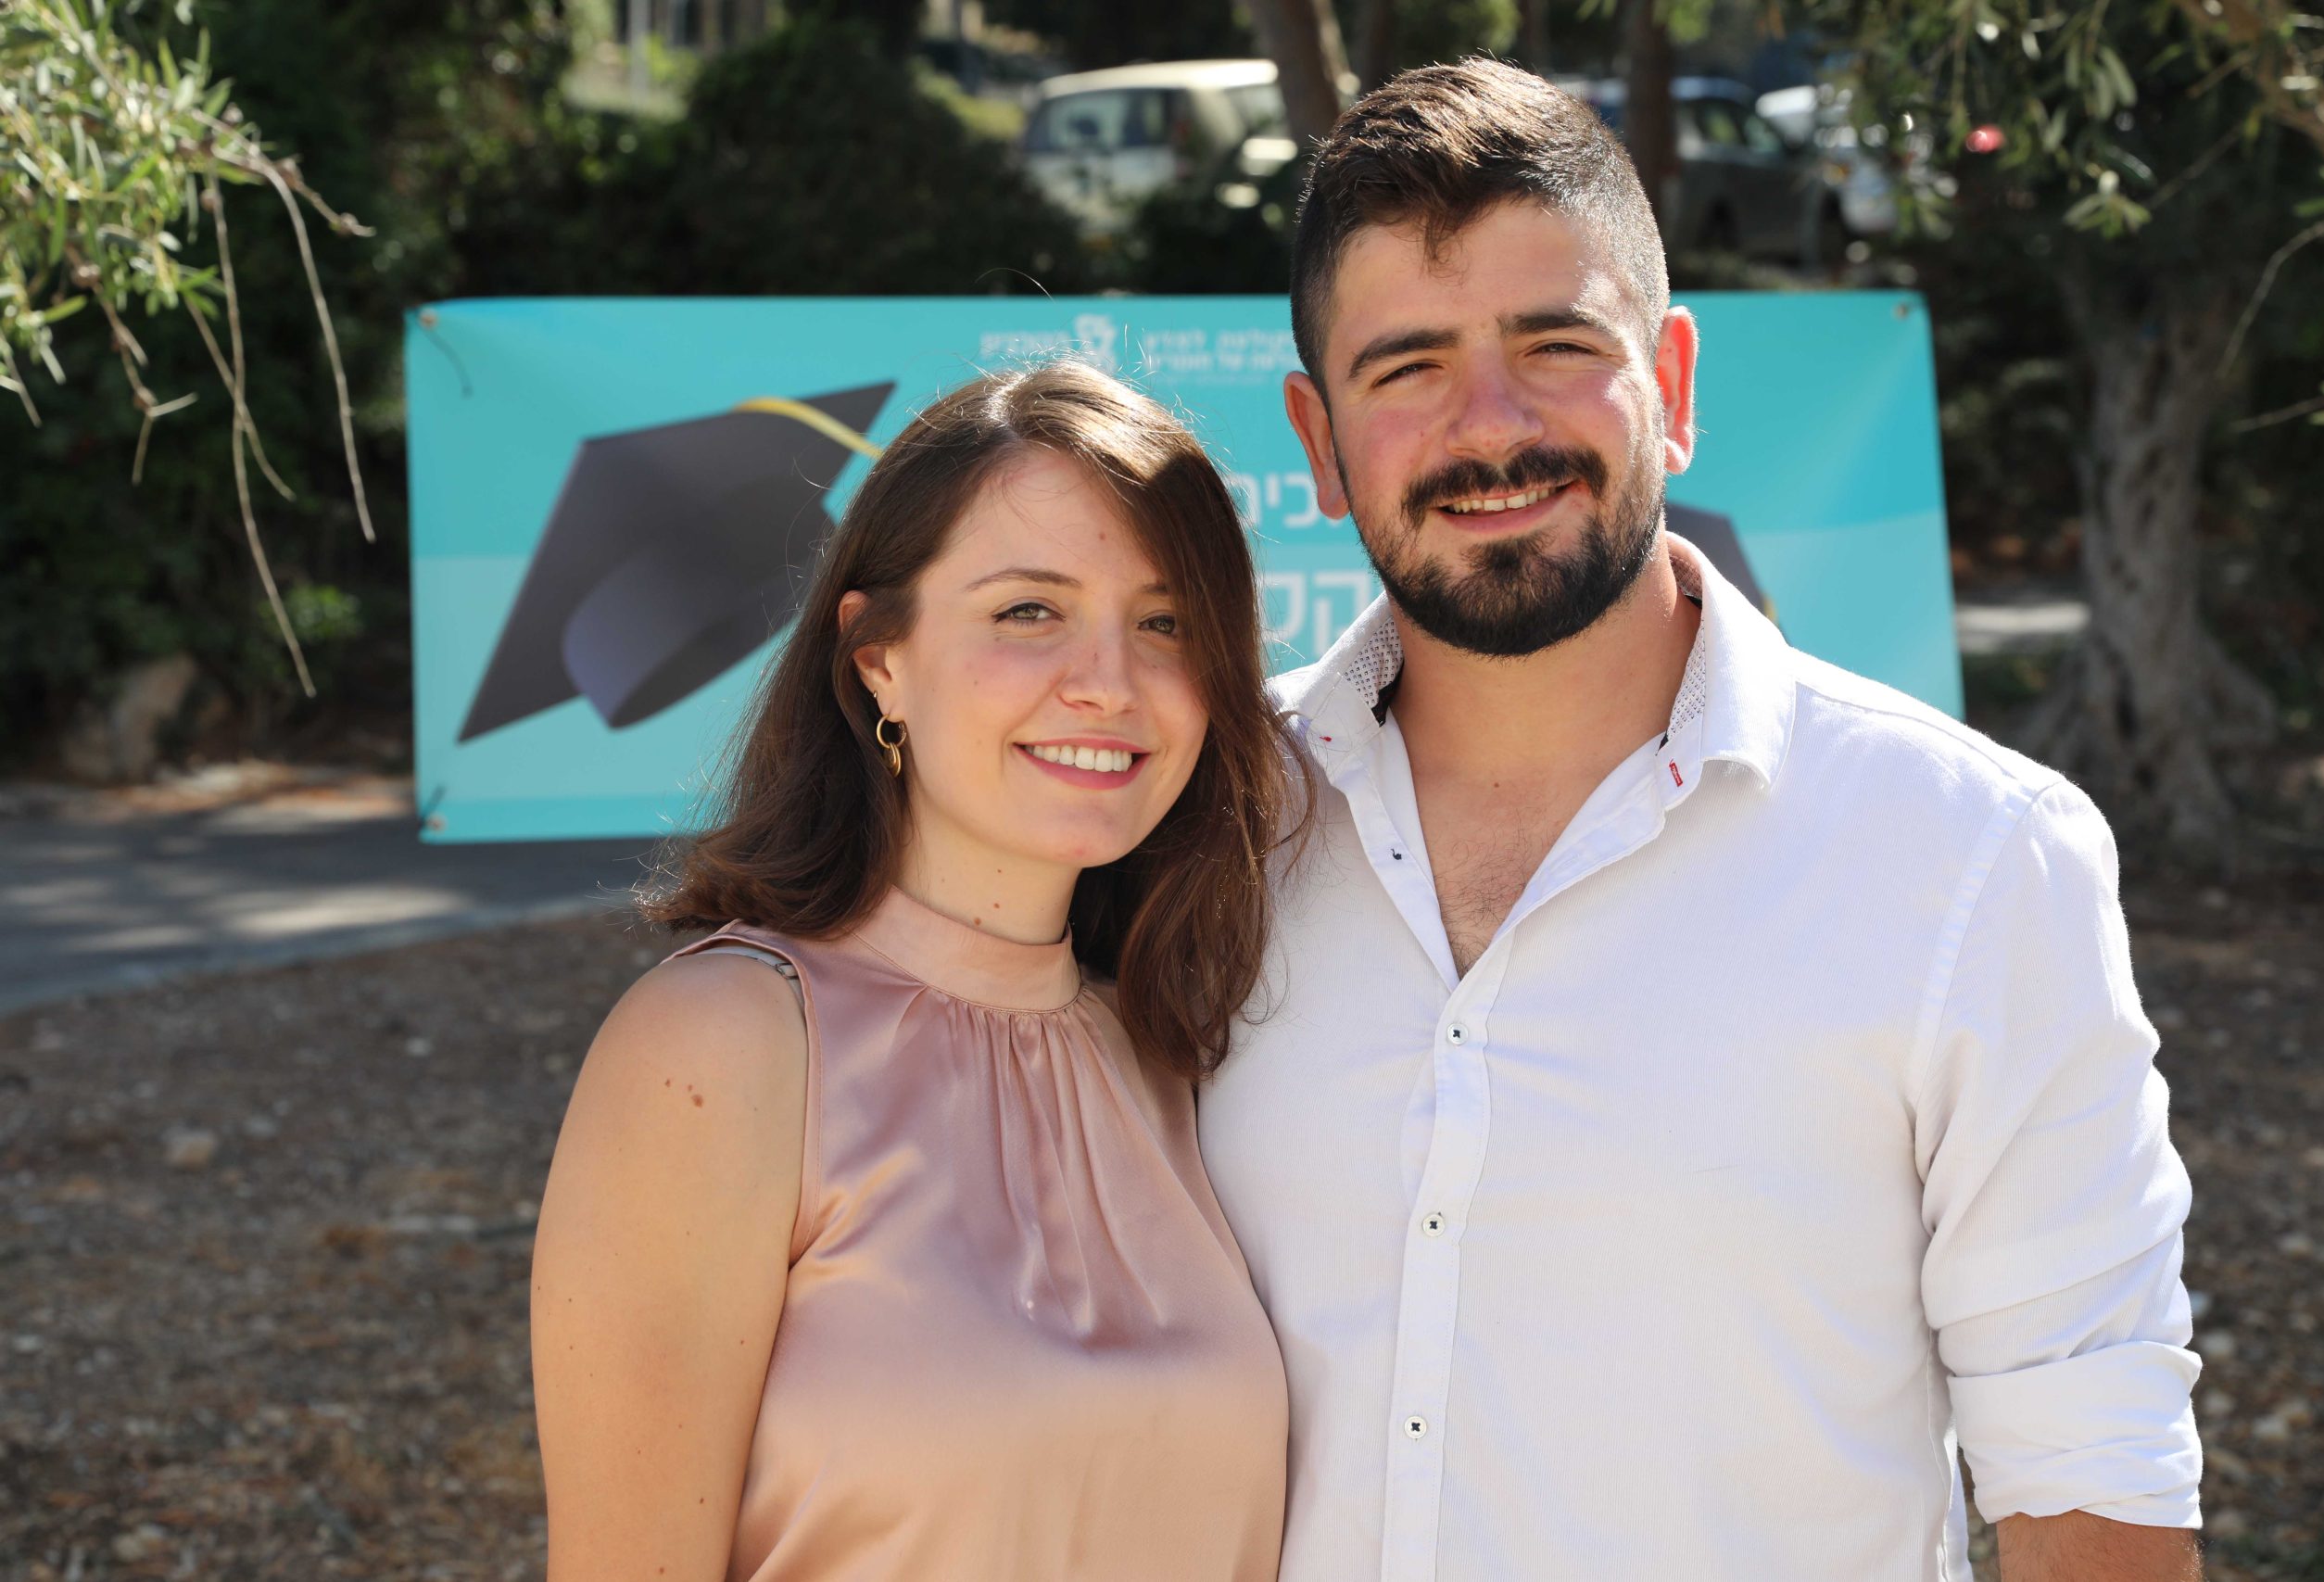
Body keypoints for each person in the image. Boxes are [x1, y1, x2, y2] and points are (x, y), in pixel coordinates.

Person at [1195, 59, 2204, 1582]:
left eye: (1556, 345)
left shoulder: (1974, 858)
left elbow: (2094, 1479)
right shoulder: (1201, 825)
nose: (1491, 426)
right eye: (1407, 368)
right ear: (1320, 443)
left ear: (1669, 385)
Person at [530, 361, 1299, 1582]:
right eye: (1029, 611)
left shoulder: (1176, 1053)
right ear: (878, 656)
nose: (1109, 682)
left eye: (1165, 623)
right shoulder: (724, 1045)